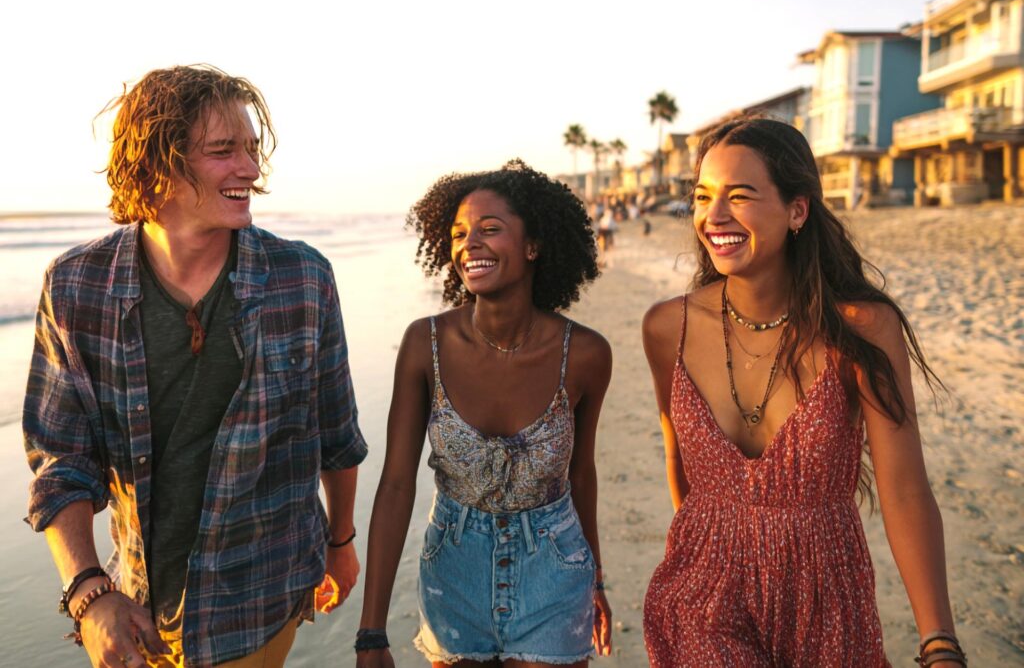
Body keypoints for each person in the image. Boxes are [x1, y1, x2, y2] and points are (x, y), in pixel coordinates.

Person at [23, 65, 367, 668]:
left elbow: (334, 434)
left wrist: (341, 544)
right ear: (157, 164)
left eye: (252, 150)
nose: (251, 170)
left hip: (261, 599)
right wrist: (87, 590)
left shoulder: (303, 279)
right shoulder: (77, 288)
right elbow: (62, 460)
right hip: (135, 611)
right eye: (222, 151)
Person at [641, 118, 965, 667]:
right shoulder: (665, 328)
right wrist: (718, 544)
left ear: (797, 210)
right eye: (702, 197)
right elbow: (681, 463)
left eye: (739, 196)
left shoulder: (862, 328)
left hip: (829, 602)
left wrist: (939, 643)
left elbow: (905, 490)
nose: (713, 216)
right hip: (701, 601)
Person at [357, 160, 613, 667]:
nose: (468, 243)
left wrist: (597, 579)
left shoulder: (584, 354)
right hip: (453, 569)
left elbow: (581, 472)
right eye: (458, 234)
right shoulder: (423, 344)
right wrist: (371, 632)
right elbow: (395, 485)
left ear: (532, 246)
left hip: (555, 569)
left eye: (489, 230)